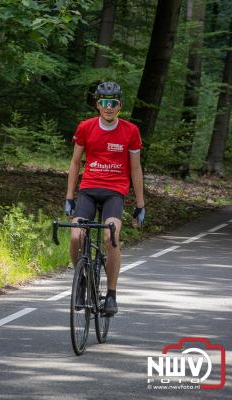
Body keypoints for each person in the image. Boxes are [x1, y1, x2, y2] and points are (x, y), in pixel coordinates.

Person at [65, 81, 145, 316]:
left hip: (114, 192)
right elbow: (75, 162)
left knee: (111, 236)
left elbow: (136, 169)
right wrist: (70, 196)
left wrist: (140, 203)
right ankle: (80, 279)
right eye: (104, 103)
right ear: (97, 105)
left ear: (120, 106)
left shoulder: (130, 131)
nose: (109, 108)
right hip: (89, 189)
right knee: (76, 235)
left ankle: (111, 294)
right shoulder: (86, 127)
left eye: (114, 104)